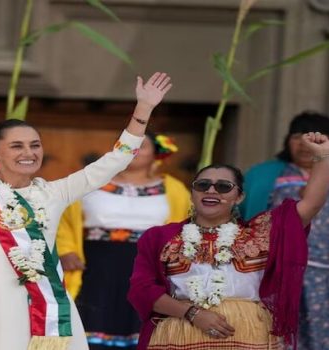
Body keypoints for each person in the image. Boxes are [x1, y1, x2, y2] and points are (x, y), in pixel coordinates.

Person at [0, 73, 172, 349]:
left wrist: (143, 109)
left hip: (42, 307)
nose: (29, 152)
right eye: (17, 146)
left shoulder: (56, 192)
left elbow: (116, 160)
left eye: (35, 145)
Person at [128, 132, 329, 350]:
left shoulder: (261, 231)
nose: (211, 190)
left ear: (239, 197)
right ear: (192, 192)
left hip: (250, 334)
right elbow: (143, 290)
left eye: (223, 187)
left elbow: (311, 204)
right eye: (202, 185)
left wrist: (323, 157)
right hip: (180, 332)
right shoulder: (159, 237)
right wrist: (192, 313)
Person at [57, 132, 189, 348]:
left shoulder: (175, 189)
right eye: (129, 144)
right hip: (95, 267)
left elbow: (183, 228)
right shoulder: (90, 180)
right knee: (89, 325)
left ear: (156, 153)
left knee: (142, 327)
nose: (134, 150)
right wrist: (65, 250)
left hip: (147, 267)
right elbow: (62, 220)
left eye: (142, 146)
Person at [240, 111, 329, 349]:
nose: (302, 144)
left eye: (312, 137)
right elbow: (246, 214)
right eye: (296, 136)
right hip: (276, 268)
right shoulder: (263, 174)